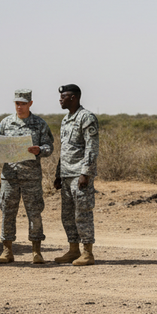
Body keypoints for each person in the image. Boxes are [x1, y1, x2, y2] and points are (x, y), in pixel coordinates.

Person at [0, 89, 54, 264]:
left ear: (30, 104)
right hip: (9, 176)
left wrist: (40, 150)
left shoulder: (39, 124)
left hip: (31, 177)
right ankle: (7, 250)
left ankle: (36, 251)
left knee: (35, 213)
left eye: (23, 103)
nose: (20, 107)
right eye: (17, 103)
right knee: (7, 212)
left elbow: (49, 147)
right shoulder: (6, 123)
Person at [53, 84, 99, 266]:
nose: (60, 100)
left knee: (83, 214)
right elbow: (65, 149)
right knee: (67, 216)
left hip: (79, 175)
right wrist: (58, 174)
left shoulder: (86, 117)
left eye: (63, 97)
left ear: (73, 98)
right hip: (66, 175)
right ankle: (73, 250)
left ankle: (88, 253)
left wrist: (85, 173)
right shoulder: (66, 120)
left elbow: (91, 147)